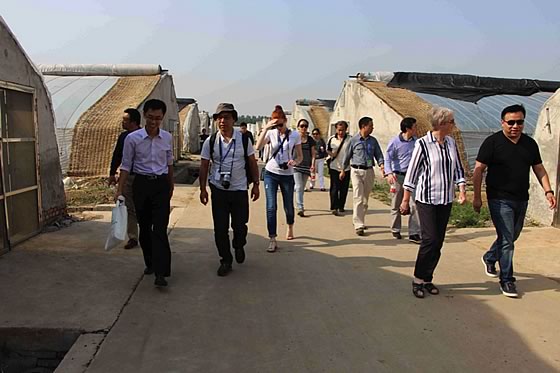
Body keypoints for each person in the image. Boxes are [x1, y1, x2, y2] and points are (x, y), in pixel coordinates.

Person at [473, 104, 557, 298]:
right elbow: (478, 171)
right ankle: (507, 280)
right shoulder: (492, 143)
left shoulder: (529, 144)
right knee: (508, 240)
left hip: (521, 199)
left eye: (519, 122)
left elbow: (539, 168)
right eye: (511, 122)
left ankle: (490, 257)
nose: (515, 126)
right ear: (502, 122)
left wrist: (548, 191)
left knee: (511, 236)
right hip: (499, 199)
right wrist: (477, 197)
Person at [400, 106, 466, 298]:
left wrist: (461, 190)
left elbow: (458, 169)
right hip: (427, 198)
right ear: (442, 124)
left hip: (445, 199)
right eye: (452, 121)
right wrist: (405, 200)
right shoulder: (422, 144)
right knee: (429, 239)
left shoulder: (451, 143)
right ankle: (417, 279)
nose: (454, 125)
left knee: (438, 241)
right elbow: (411, 174)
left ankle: (428, 278)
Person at [116, 99, 174, 288]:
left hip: (160, 186)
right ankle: (150, 262)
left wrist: (170, 185)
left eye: (158, 118)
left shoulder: (167, 138)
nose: (153, 122)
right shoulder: (132, 139)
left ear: (162, 118)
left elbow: (169, 163)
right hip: (141, 185)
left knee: (160, 229)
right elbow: (125, 166)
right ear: (144, 116)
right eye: (150, 117)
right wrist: (119, 190)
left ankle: (161, 271)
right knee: (145, 228)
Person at [199, 104, 260, 276]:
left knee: (240, 226)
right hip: (218, 189)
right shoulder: (211, 141)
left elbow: (252, 162)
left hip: (239, 189)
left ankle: (239, 244)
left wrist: (256, 184)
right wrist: (203, 189)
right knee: (220, 228)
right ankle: (225, 259)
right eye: (220, 117)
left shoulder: (243, 140)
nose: (223, 121)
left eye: (226, 117)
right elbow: (204, 166)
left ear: (234, 119)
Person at [255, 105, 303, 252]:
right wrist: (266, 128)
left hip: (287, 174)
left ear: (285, 121)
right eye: (276, 125)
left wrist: (294, 162)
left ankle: (290, 225)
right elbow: (257, 147)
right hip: (271, 172)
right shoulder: (271, 133)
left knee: (288, 205)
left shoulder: (295, 135)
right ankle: (272, 238)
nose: (279, 127)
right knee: (271, 206)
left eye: (281, 124)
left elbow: (300, 156)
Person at [342, 116, 384, 236]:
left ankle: (360, 218)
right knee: (358, 197)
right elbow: (347, 155)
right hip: (356, 171)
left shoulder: (373, 141)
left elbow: (379, 155)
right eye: (371, 125)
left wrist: (382, 165)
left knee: (365, 200)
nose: (372, 128)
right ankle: (358, 224)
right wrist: (343, 170)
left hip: (369, 171)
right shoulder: (353, 140)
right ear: (364, 126)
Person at [384, 117, 421, 244]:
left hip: (413, 177)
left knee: (415, 204)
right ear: (408, 128)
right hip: (398, 176)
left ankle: (414, 232)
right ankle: (396, 228)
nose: (417, 129)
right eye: (415, 126)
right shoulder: (394, 142)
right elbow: (387, 158)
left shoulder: (417, 142)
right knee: (396, 203)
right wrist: (388, 173)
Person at [108, 108, 141, 250]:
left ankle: (147, 234)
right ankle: (133, 237)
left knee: (143, 207)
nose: (122, 122)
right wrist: (112, 173)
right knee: (130, 208)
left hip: (143, 177)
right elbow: (117, 156)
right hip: (128, 177)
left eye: (125, 120)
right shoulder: (123, 137)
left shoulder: (143, 136)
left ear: (133, 122)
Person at [327, 121, 351, 216]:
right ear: (336, 129)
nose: (341, 132)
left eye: (343, 130)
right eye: (339, 130)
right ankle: (334, 207)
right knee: (334, 188)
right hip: (334, 167)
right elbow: (327, 149)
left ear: (346, 130)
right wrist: (331, 154)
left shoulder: (350, 140)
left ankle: (341, 206)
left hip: (346, 168)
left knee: (344, 188)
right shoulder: (331, 139)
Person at [293, 119, 316, 217]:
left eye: (305, 126)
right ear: (298, 127)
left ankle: (298, 203)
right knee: (298, 186)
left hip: (306, 166)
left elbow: (313, 154)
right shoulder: (295, 138)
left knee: (302, 187)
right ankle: (300, 207)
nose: (304, 128)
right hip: (296, 165)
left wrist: (313, 165)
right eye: (302, 126)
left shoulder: (310, 140)